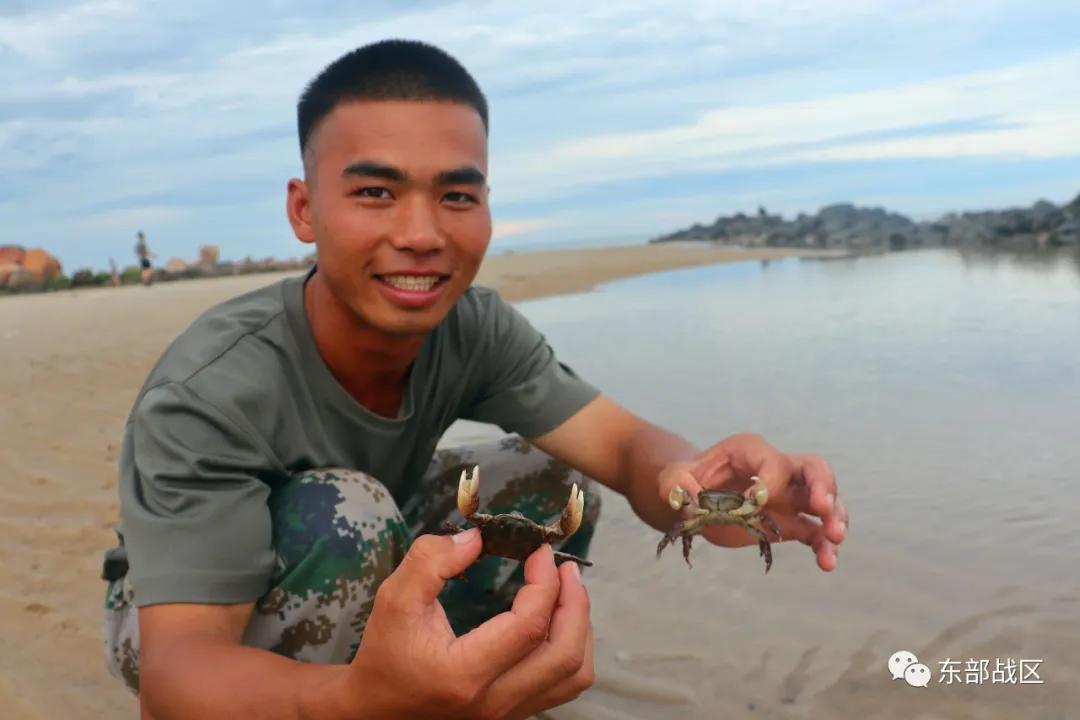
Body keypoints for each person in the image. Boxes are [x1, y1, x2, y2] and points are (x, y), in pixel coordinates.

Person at [101, 40, 848, 720]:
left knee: (554, 480)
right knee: (346, 516)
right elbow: (178, 676)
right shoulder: (210, 391)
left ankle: (465, 675)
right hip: (181, 606)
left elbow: (623, 450)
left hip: (378, 534)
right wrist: (363, 702)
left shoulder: (474, 326)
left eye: (457, 196)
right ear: (305, 210)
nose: (423, 234)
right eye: (375, 193)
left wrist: (718, 495)